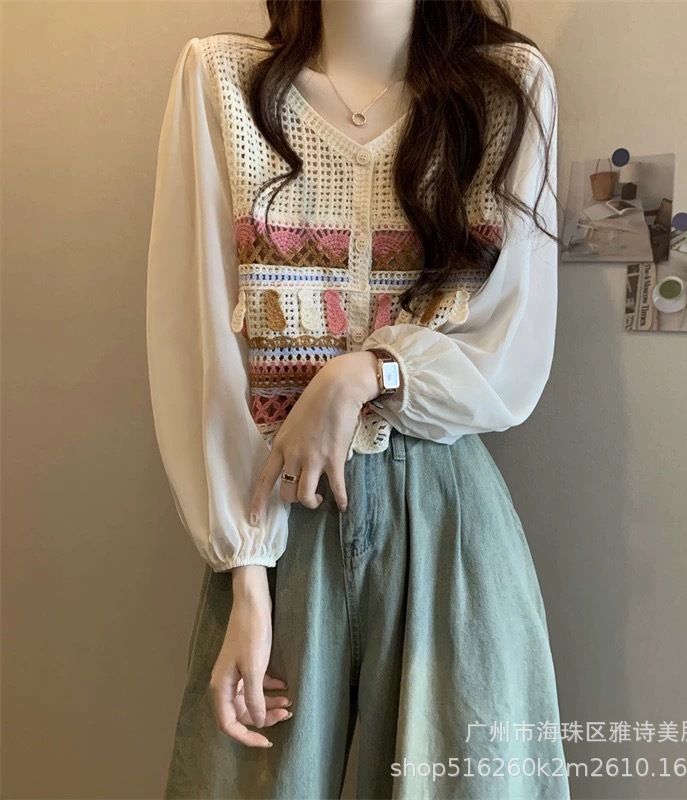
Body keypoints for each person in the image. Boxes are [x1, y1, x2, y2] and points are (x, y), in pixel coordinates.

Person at [146, 1, 569, 798]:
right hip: (280, 514)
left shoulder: (508, 91)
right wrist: (245, 570)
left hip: (445, 517)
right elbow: (198, 343)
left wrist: (366, 373)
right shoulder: (223, 83)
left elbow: (512, 349)